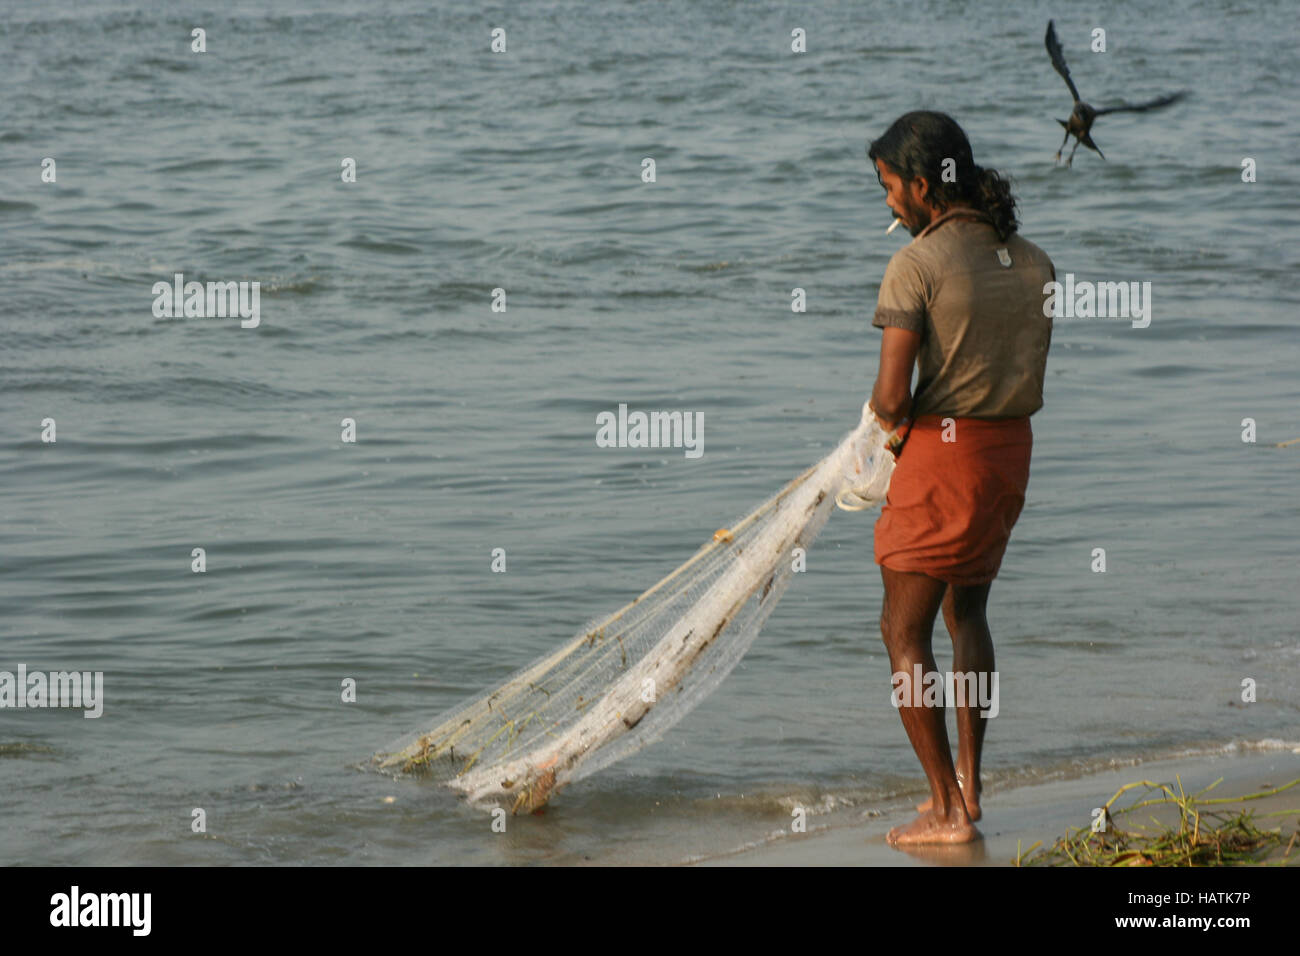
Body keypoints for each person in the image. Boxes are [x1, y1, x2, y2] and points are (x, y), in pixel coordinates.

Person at [866, 112, 1055, 846]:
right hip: (1009, 456)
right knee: (967, 618)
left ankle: (945, 812)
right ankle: (970, 788)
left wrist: (879, 437)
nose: (887, 204)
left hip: (944, 460)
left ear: (921, 184)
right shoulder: (1034, 259)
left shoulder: (915, 265)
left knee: (901, 629)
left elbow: (890, 400)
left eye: (889, 188)